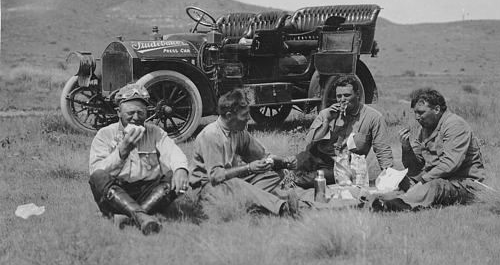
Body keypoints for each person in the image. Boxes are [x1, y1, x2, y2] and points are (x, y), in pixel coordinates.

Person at [88, 83, 190, 234]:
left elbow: (173, 152)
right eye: (130, 113)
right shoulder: (105, 134)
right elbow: (96, 172)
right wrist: (122, 151)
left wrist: (181, 169)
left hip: (149, 193)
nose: (136, 118)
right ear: (119, 113)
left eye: (141, 113)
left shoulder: (155, 132)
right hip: (116, 193)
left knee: (174, 174)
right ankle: (143, 217)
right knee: (98, 177)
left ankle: (131, 217)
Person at [368, 88, 486, 212]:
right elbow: (414, 168)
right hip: (435, 179)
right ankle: (383, 198)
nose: (417, 117)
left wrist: (423, 180)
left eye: (421, 112)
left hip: (463, 183)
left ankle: (399, 203)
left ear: (436, 109)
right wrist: (406, 147)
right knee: (401, 179)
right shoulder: (426, 128)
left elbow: (450, 165)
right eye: (415, 113)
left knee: (434, 186)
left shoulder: (455, 126)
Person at [189, 89, 300, 217]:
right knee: (235, 183)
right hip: (207, 187)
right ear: (229, 116)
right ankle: (281, 207)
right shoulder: (211, 135)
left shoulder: (239, 131)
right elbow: (216, 176)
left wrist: (284, 162)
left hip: (230, 181)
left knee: (274, 173)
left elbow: (262, 155)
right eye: (244, 115)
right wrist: (248, 168)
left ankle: (249, 202)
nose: (248, 118)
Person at [293, 76, 394, 188]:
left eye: (347, 95)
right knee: (290, 167)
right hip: (317, 157)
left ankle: (300, 181)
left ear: (357, 94)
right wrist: (327, 121)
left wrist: (389, 176)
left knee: (307, 180)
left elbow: (383, 150)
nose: (342, 99)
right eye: (339, 96)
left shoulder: (373, 117)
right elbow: (309, 142)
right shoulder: (327, 113)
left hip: (344, 165)